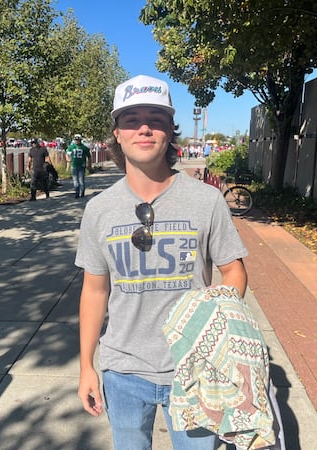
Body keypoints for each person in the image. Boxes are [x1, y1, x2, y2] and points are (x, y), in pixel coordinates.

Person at [75, 74, 249, 449]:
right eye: (131, 119)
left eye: (155, 118)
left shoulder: (206, 201)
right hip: (122, 370)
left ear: (171, 129)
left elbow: (233, 271)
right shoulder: (99, 210)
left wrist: (214, 324)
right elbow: (94, 289)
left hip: (195, 371)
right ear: (117, 133)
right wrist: (86, 365)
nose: (144, 127)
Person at [65, 134, 91, 198]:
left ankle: (82, 192)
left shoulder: (84, 147)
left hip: (81, 165)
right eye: (76, 140)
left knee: (81, 180)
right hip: (74, 165)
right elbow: (67, 153)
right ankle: (77, 192)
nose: (77, 141)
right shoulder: (71, 147)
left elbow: (89, 156)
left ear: (80, 140)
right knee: (75, 180)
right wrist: (68, 159)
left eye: (78, 140)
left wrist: (89, 165)